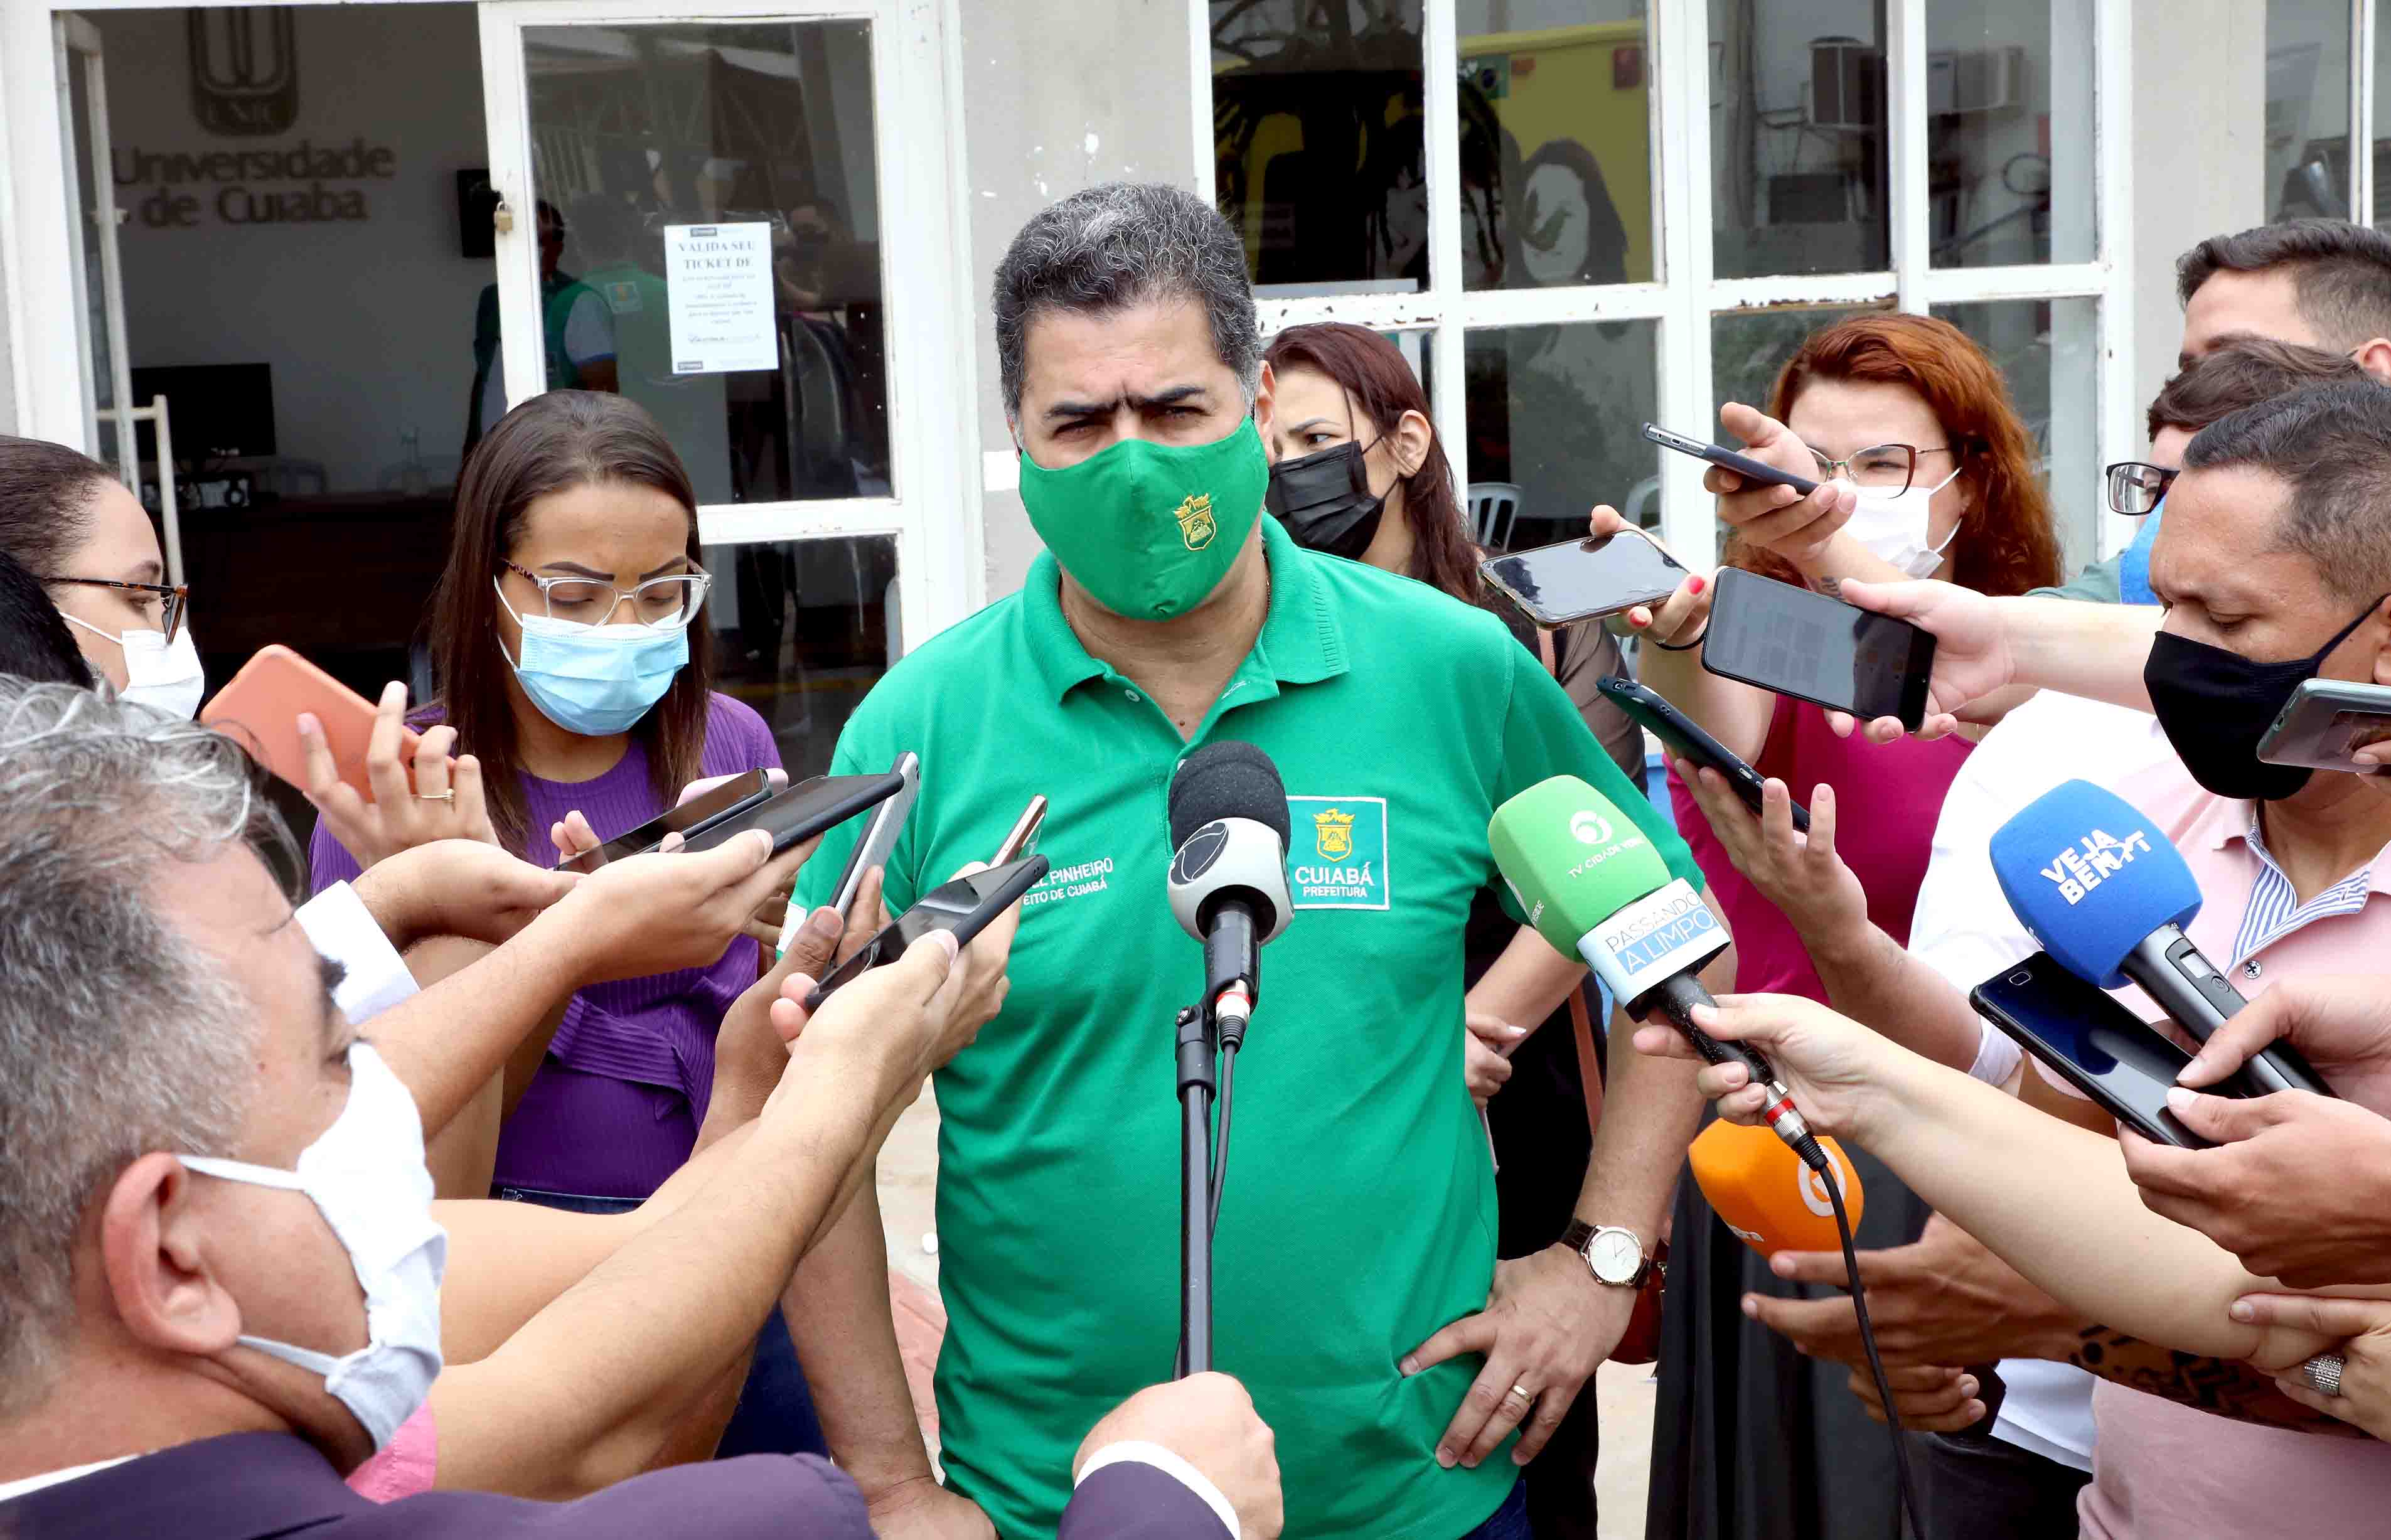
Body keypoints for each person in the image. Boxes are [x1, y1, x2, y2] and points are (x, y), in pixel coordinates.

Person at [784, 181, 1731, 1540]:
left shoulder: (1451, 668)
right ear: (1017, 434)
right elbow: (806, 1131)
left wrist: (1604, 1256)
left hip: (1416, 1490)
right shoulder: (921, 731)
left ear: (1255, 402)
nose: (1132, 466)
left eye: (1175, 411)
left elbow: (1676, 952)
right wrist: (887, 1480)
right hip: (1051, 1504)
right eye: (1079, 422)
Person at [0, 680, 1258, 1539]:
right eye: (344, 1058)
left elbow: (643, 1266)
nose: (391, 1102)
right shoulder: (769, 1519)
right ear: (168, 1252)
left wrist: (755, 1084)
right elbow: (593, 1409)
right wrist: (1164, 1497)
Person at [1684, 336, 2380, 1538]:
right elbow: (2057, 1155)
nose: (2172, 656)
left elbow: (2337, 1362)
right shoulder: (2129, 828)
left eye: (2225, 617)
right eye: (2161, 606)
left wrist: (2053, 1318)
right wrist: (1875, 1085)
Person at [1602, 312, 2061, 1540]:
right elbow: (1715, 721)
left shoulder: (2029, 649)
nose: (1839, 492)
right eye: (1812, 465)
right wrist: (1689, 630)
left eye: (1882, 464)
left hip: (2008, 1132)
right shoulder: (1757, 629)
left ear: (1974, 476)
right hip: (1795, 1138)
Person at [308, 390, 822, 1458]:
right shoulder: (410, 791)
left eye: (663, 592)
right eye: (577, 595)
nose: (624, 630)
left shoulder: (726, 738)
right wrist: (558, 940)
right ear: (488, 585)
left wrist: (794, 948)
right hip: (509, 1268)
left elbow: (747, 1018)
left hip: (723, 1218)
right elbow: (401, 1136)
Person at [1257, 319, 1642, 1539]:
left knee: (1525, 1423)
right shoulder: (1267, 644)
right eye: (1267, 451)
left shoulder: (1532, 622)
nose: (1288, 474)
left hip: (1511, 1078)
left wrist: (1479, 1026)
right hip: (1340, 1078)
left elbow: (1606, 869)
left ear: (1407, 442)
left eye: (1314, 441)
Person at [466, 200, 618, 455]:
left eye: (540, 241)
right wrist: (471, 450)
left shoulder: (579, 301)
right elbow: (485, 376)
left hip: (551, 454)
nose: (532, 251)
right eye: (523, 240)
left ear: (559, 247)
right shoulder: (492, 300)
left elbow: (603, 395)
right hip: (495, 451)